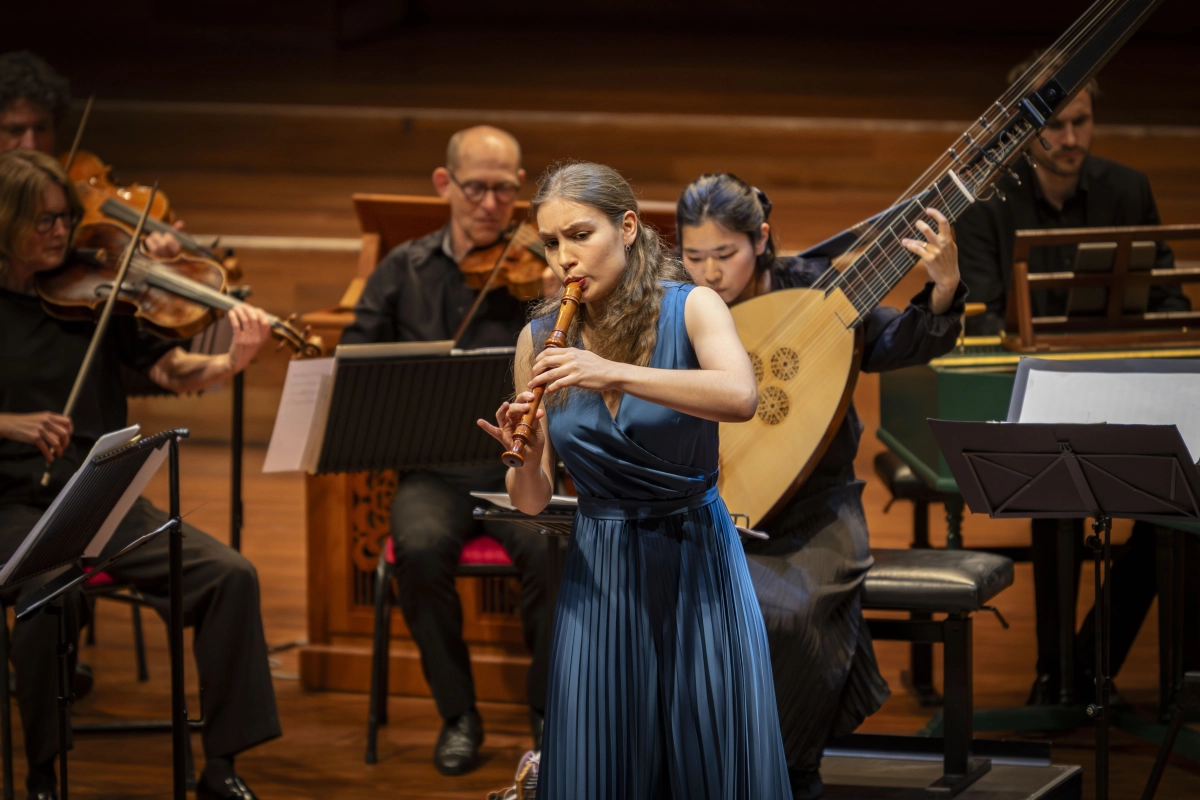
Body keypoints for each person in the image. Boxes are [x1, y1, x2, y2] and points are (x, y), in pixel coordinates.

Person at [479, 161, 790, 800]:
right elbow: (533, 503)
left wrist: (612, 372)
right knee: (603, 760)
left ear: (627, 228)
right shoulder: (537, 339)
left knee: (713, 752)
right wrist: (527, 457)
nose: (565, 256)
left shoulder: (694, 307)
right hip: (603, 566)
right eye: (550, 242)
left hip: (697, 555)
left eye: (579, 234)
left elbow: (739, 396)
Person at [0, 150, 280, 800]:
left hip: (102, 494)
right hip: (12, 501)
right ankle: (42, 774)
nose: (59, 233)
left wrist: (231, 363)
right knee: (46, 595)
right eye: (42, 221)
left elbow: (169, 370)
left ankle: (221, 766)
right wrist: (11, 425)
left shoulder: (93, 296)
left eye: (65, 219)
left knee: (228, 575)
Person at [676, 173, 966, 799]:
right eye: (694, 256)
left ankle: (789, 772)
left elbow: (897, 340)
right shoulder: (682, 305)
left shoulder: (816, 291)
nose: (709, 273)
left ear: (762, 239)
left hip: (817, 509)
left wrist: (942, 288)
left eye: (724, 254)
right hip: (713, 500)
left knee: (784, 615)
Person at [955, 55, 1194, 708]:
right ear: (1024, 133)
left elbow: (1168, 298)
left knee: (1179, 500)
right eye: (1054, 126)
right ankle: (1058, 678)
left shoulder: (1127, 189)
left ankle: (1129, 674)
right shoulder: (985, 209)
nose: (1069, 139)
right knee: (1058, 493)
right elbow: (985, 322)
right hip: (1031, 402)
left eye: (1080, 122)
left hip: (1123, 390)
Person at [340, 125, 549, 776]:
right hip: (433, 470)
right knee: (419, 552)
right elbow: (354, 360)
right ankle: (459, 714)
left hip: (519, 469)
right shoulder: (401, 269)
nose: (491, 205)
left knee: (555, 553)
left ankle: (549, 718)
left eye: (506, 190)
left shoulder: (541, 268)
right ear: (445, 184)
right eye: (477, 188)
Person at [0, 50, 184, 260]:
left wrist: (154, 258)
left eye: (41, 128)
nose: (30, 145)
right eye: (15, 130)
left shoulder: (72, 181)